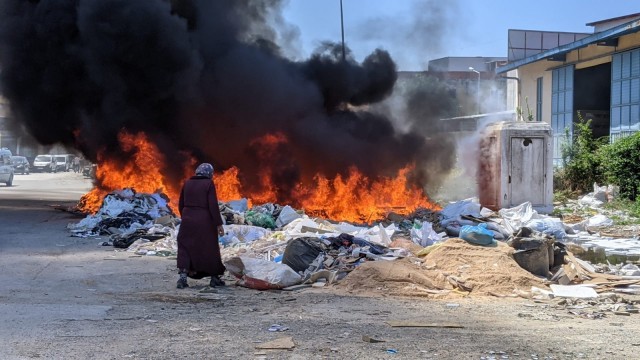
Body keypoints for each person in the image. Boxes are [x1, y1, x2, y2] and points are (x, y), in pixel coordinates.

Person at [176, 163, 226, 289]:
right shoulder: (208, 184)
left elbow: (181, 204)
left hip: (187, 220)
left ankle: (183, 277)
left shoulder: (187, 183)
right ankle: (214, 278)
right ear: (209, 173)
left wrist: (186, 217)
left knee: (185, 247)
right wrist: (218, 224)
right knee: (209, 248)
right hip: (204, 220)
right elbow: (213, 205)